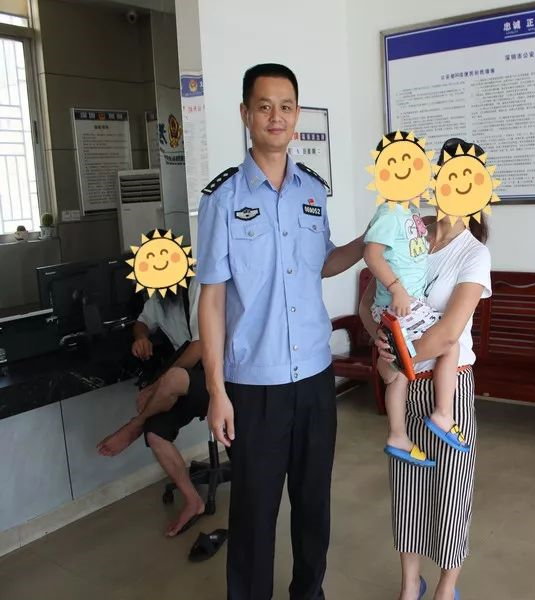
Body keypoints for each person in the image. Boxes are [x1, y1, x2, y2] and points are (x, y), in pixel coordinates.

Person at [196, 63, 365, 600]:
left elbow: (323, 262)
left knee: (314, 506)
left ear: (297, 116)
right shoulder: (222, 199)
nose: (276, 116)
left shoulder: (311, 191)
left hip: (314, 377)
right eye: (264, 106)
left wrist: (371, 240)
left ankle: (308, 594)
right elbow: (212, 299)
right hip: (254, 387)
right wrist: (217, 391)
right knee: (254, 514)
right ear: (245, 114)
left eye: (286, 107)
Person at [359, 137, 492, 600]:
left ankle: (444, 589)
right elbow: (368, 302)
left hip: (447, 390)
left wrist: (399, 357)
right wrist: (380, 344)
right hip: (403, 381)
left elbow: (450, 333)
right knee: (408, 491)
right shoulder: (408, 228)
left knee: (451, 496)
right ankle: (408, 587)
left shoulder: (474, 254)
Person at [364, 131, 467, 469]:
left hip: (400, 306)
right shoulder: (389, 213)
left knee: (397, 374)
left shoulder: (409, 215)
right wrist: (396, 288)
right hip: (400, 305)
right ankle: (443, 413)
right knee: (449, 345)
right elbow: (371, 254)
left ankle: (397, 434)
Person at [96, 274, 208, 537]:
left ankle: (133, 426)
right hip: (184, 381)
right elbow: (142, 322)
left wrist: (156, 386)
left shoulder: (198, 286)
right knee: (155, 432)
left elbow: (199, 347)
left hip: (218, 375)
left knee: (172, 378)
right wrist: (141, 337)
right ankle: (194, 502)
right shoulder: (159, 298)